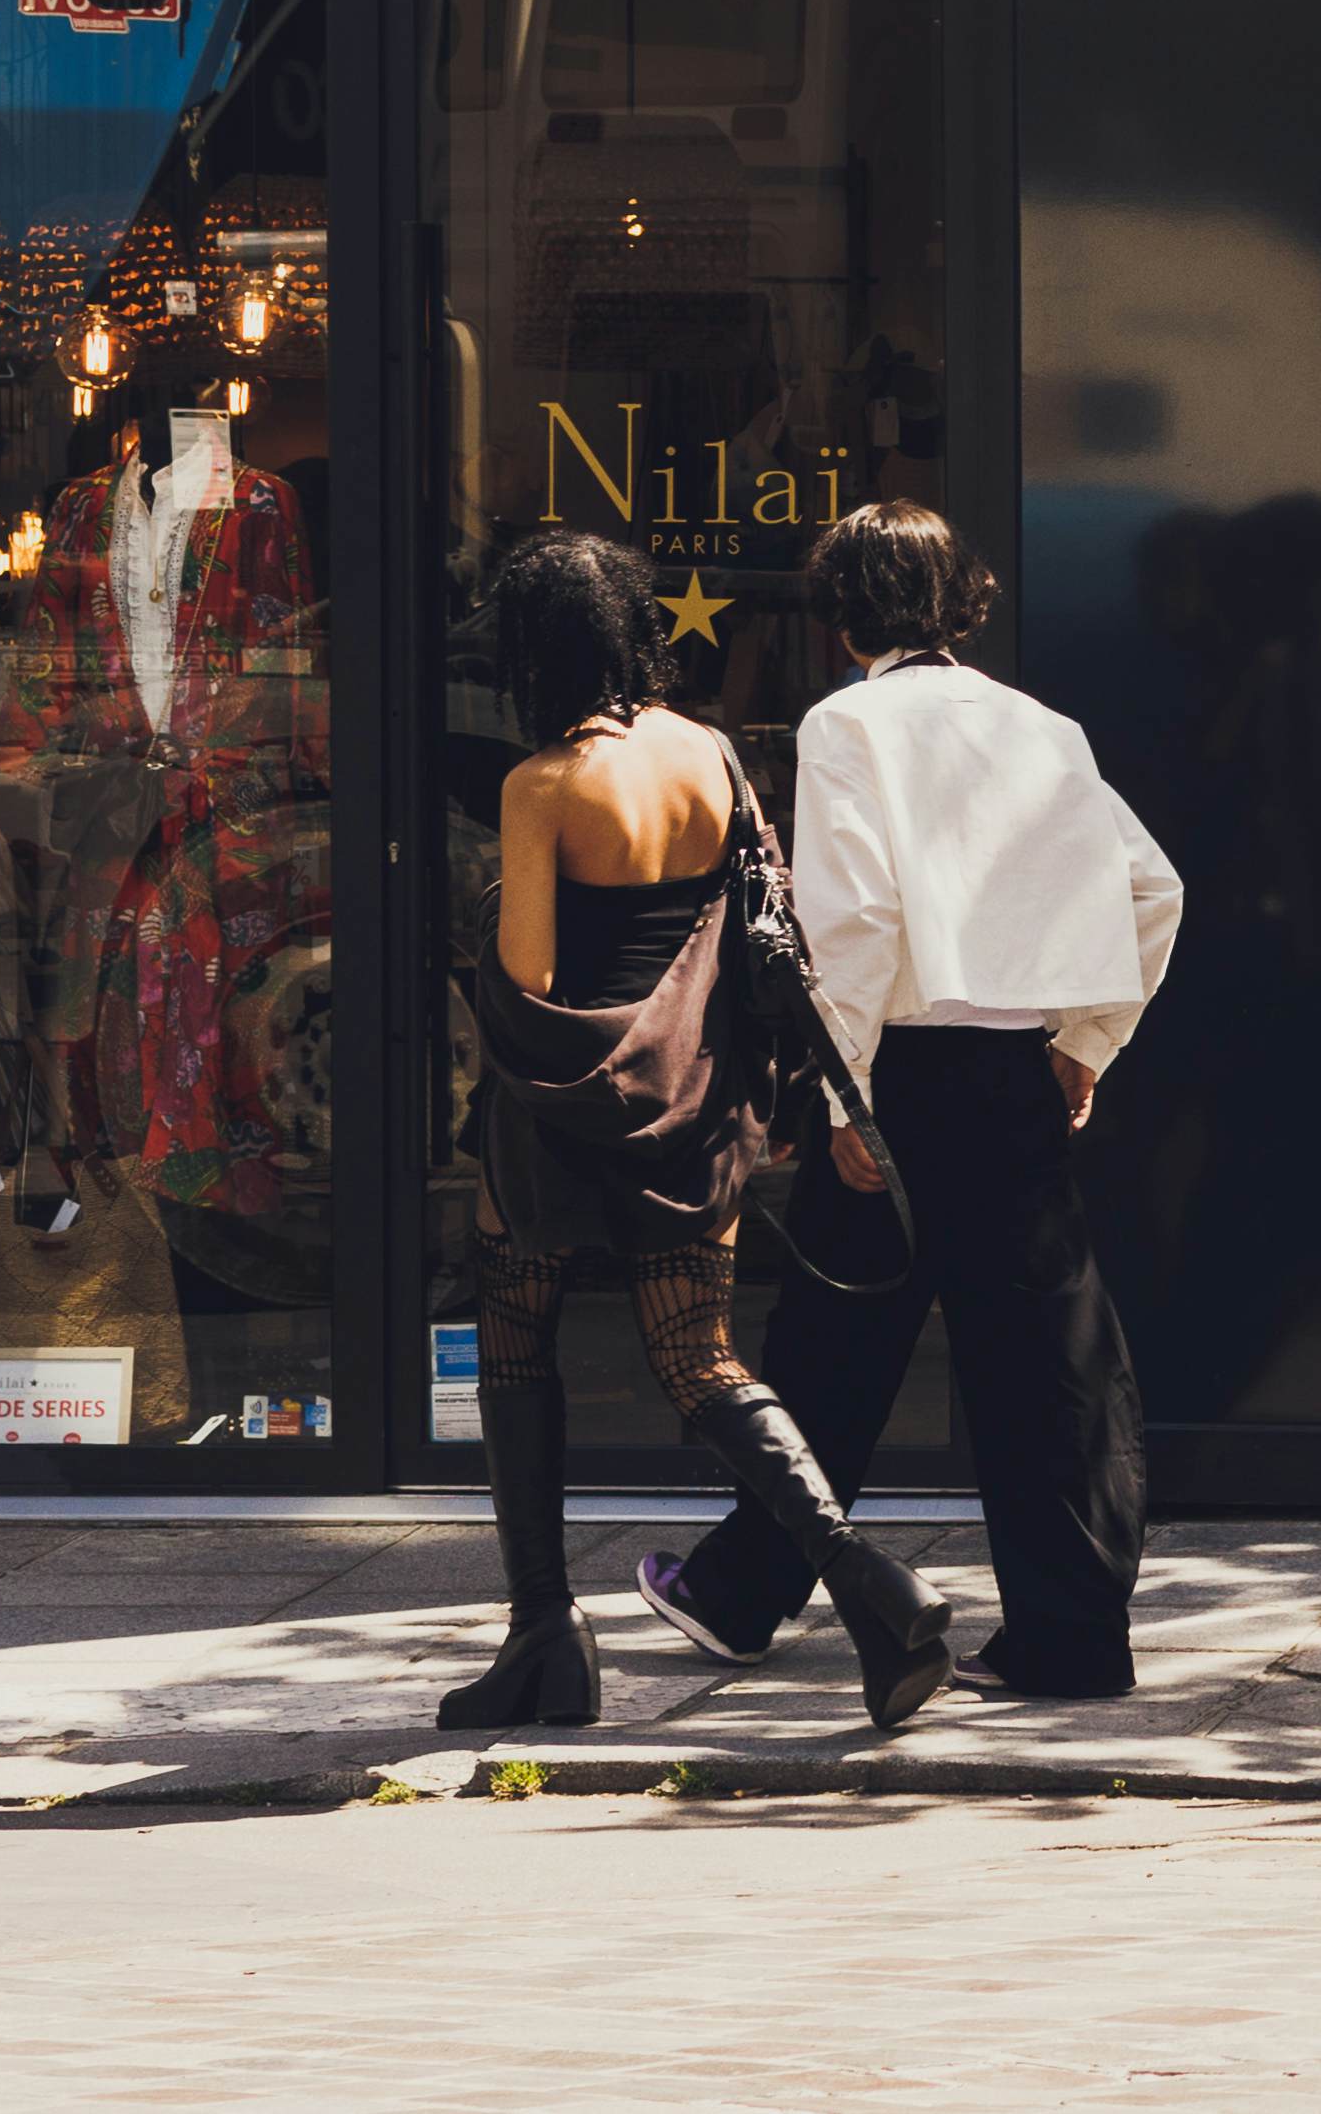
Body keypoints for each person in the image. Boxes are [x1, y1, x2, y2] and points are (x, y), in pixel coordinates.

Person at [643, 504, 1182, 1707]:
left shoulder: (849, 722)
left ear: (844, 616)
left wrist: (847, 1093)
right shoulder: (1043, 725)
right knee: (1050, 1361)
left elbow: (858, 920)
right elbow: (1154, 885)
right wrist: (1085, 1043)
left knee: (832, 1341)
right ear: (962, 601)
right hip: (1015, 1073)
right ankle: (1072, 1634)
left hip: (897, 1072)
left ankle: (739, 1594)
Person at [440, 530, 954, 1737]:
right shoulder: (710, 751)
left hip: (563, 1108)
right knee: (702, 1359)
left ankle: (544, 1635)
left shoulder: (543, 783)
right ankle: (871, 1587)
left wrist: (488, 912)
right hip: (692, 1100)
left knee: (515, 1334)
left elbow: (531, 978)